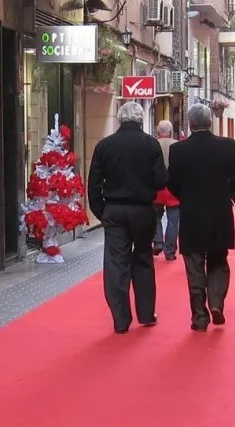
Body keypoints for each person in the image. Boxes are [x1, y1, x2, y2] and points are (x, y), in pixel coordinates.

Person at [87, 102, 167, 334]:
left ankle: (121, 319)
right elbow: (161, 180)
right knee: (143, 259)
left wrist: (101, 211)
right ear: (140, 119)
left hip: (114, 209)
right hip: (142, 209)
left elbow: (94, 183)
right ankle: (146, 313)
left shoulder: (105, 145)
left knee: (116, 263)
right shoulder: (150, 144)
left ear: (120, 119)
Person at [167, 103, 235, 332]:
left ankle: (199, 317)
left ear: (190, 124)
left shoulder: (178, 150)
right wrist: (224, 191)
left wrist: (186, 196)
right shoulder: (226, 145)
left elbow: (172, 182)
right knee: (218, 261)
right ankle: (216, 302)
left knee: (194, 266)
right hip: (219, 213)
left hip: (191, 215)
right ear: (210, 122)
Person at [153, 120, 180, 261]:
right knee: (173, 221)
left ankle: (158, 241)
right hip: (173, 188)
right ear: (170, 131)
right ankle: (170, 250)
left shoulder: (153, 144)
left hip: (156, 188)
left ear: (158, 132)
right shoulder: (177, 145)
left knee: (155, 217)